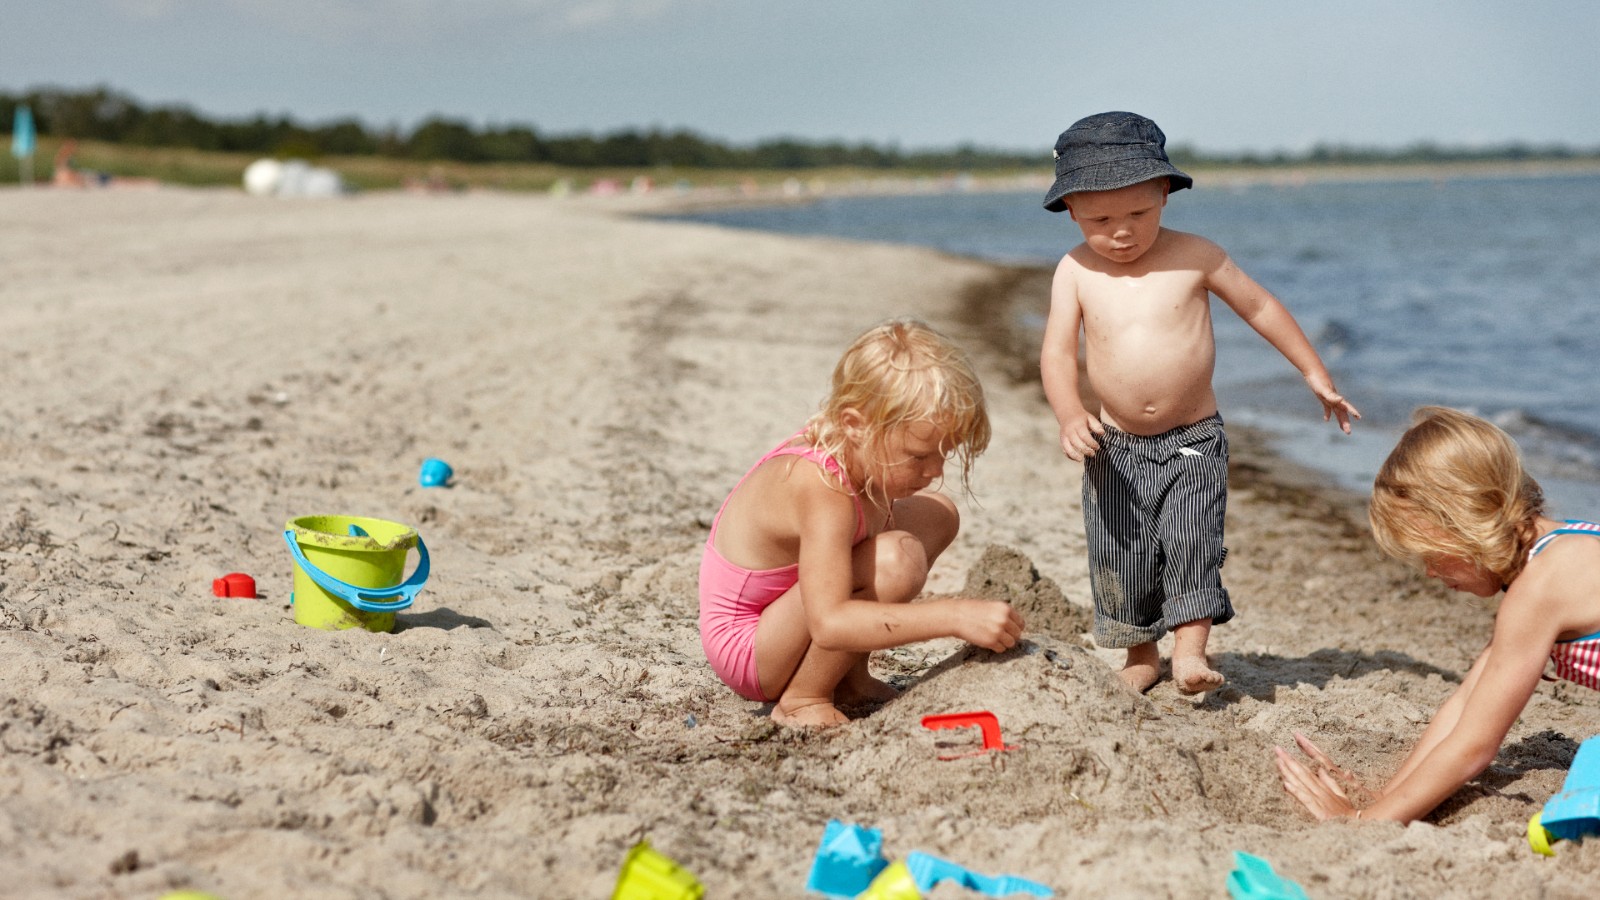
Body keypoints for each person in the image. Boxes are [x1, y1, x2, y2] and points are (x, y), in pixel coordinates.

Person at [1039, 111, 1359, 694]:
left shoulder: (1197, 255)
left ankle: (1189, 651)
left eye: (1137, 213)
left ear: (1164, 193)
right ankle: (1140, 654)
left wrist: (1314, 372)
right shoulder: (1075, 270)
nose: (1121, 232)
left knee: (1192, 537)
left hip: (1193, 439)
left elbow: (1260, 307)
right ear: (1071, 211)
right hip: (1114, 445)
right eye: (1099, 219)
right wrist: (1068, 413)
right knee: (1121, 548)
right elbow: (1058, 355)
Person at [1276, 406, 1600, 823]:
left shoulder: (1538, 590)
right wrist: (1383, 799)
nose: (1429, 571)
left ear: (1468, 520)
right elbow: (1466, 702)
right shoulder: (1561, 545)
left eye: (1431, 554)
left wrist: (1362, 823)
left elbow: (1474, 747)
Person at [699, 317, 1025, 727]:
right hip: (750, 647)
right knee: (895, 561)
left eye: (946, 453)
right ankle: (803, 698)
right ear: (855, 425)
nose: (935, 470)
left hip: (789, 612)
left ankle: (849, 679)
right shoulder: (822, 485)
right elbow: (830, 621)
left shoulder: (862, 454)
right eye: (919, 456)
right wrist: (955, 616)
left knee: (937, 514)